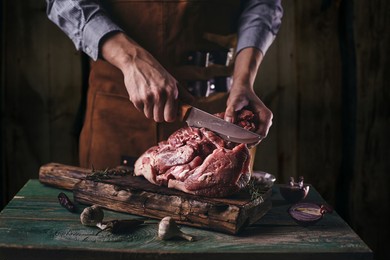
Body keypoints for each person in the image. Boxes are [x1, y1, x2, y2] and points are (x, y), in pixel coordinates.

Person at [46, 0, 283, 169]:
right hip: (118, 117)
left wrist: (244, 80)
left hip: (219, 116)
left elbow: (263, 3)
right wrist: (130, 59)